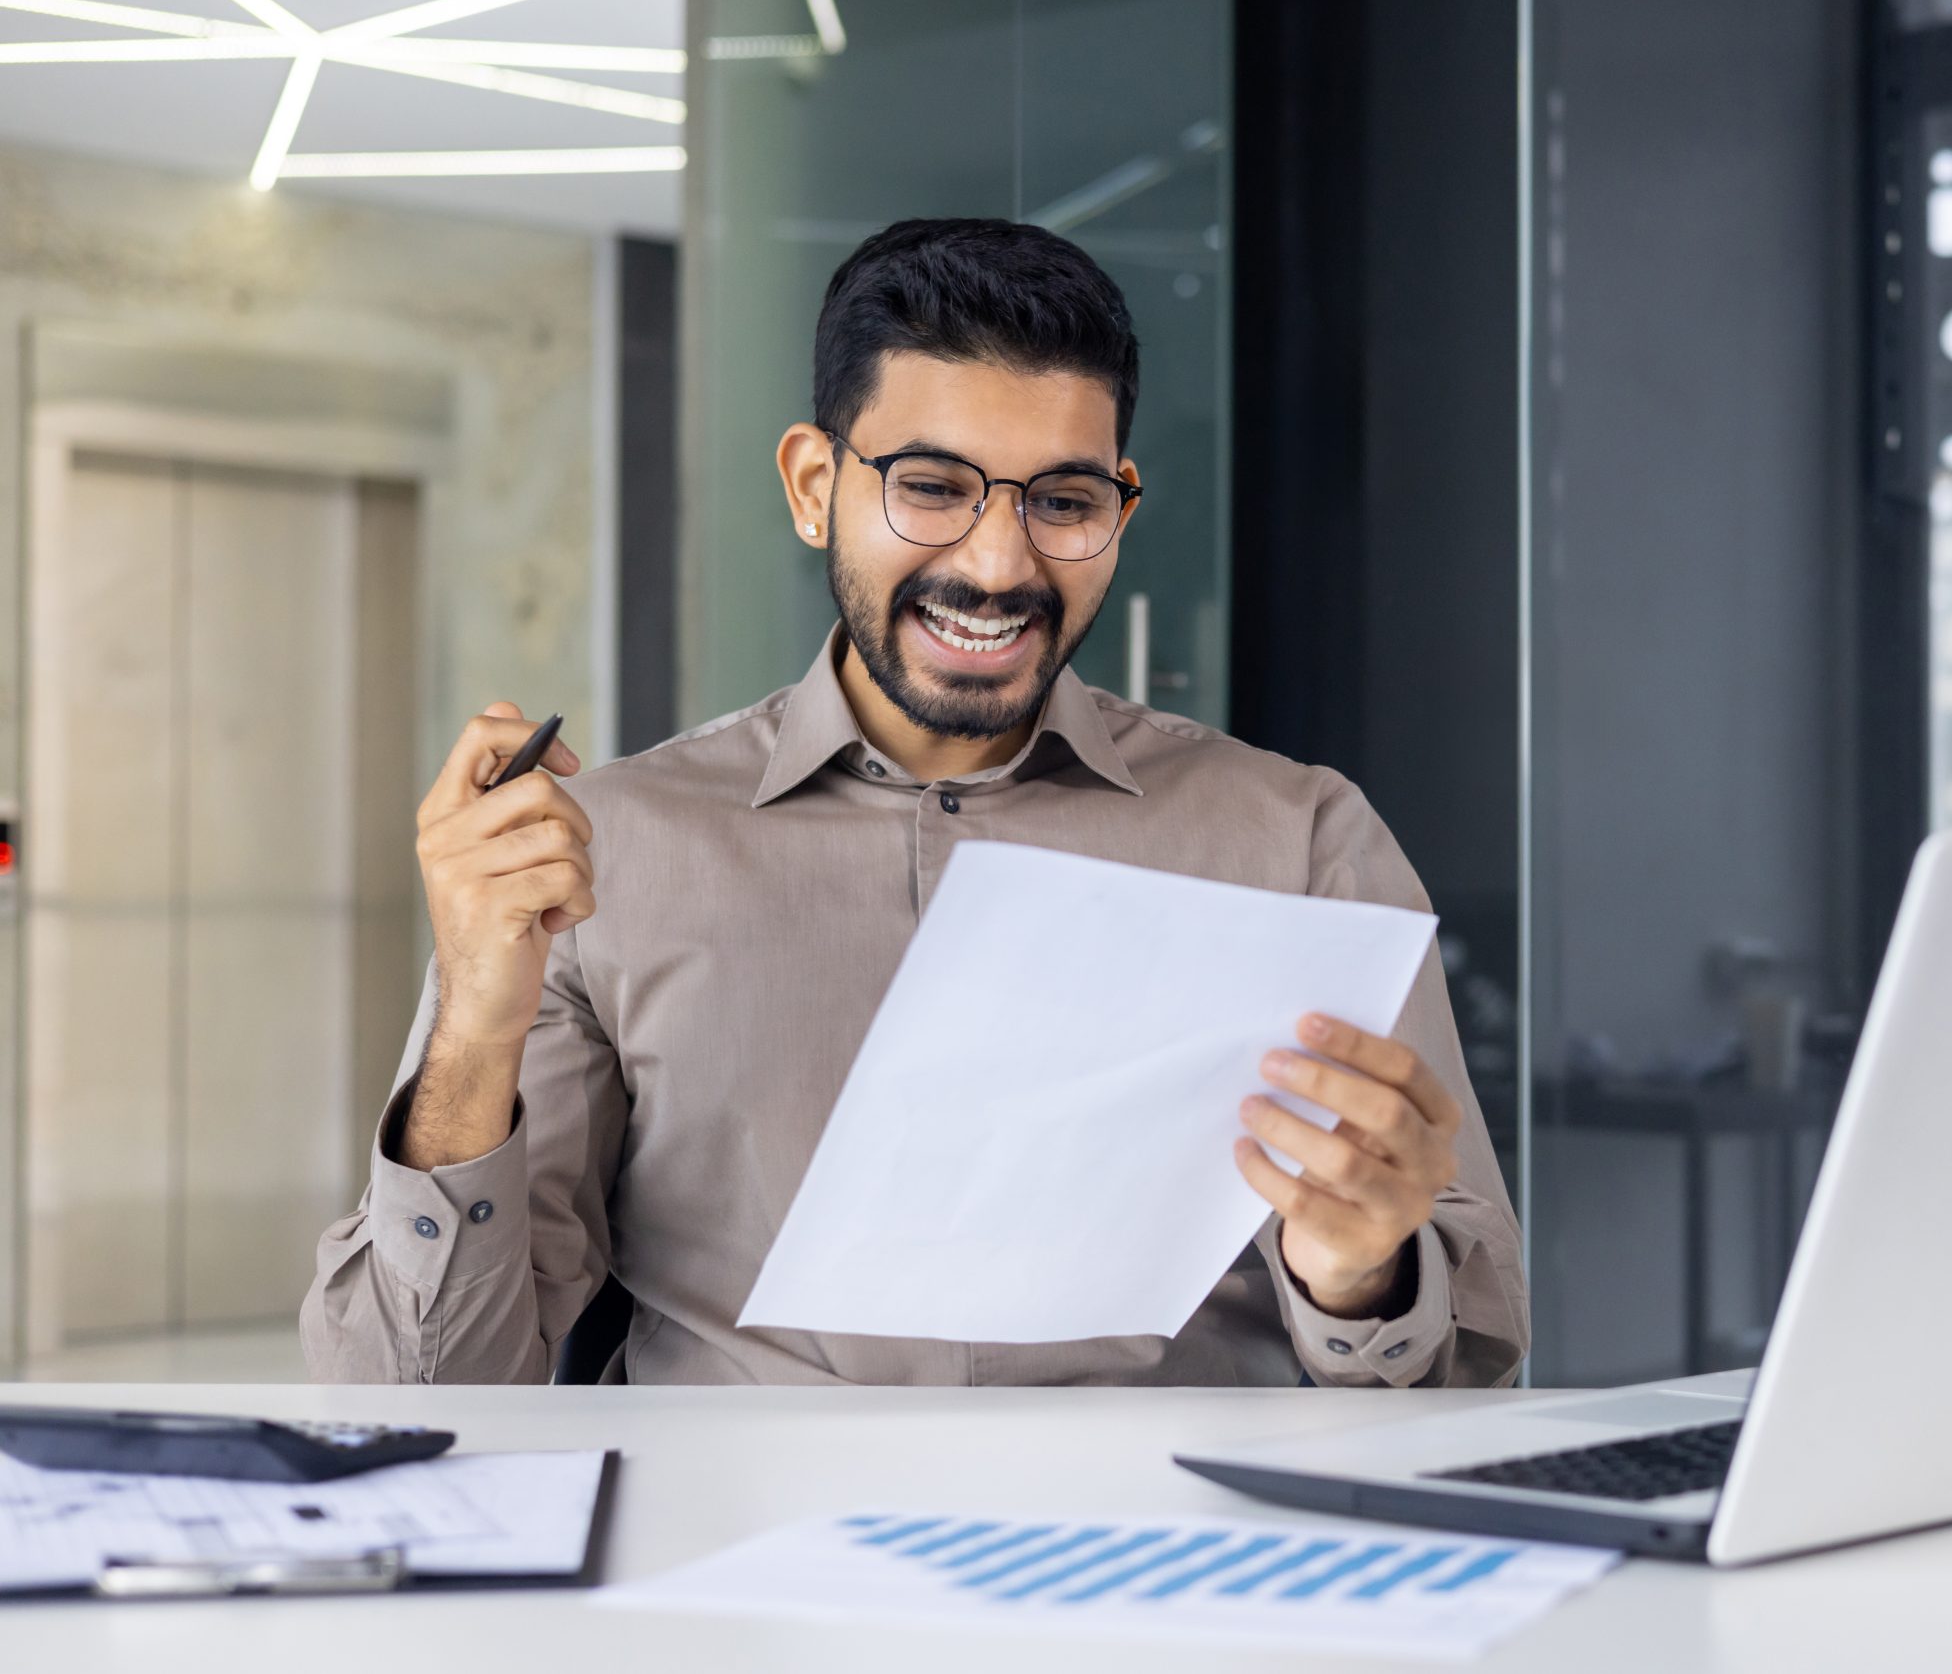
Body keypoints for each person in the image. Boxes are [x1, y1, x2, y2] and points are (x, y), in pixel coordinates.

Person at [302, 218, 1526, 1387]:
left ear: (1120, 504)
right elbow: (416, 1386)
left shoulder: (1298, 841)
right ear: (810, 484)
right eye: (932, 486)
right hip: (749, 1560)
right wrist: (473, 1027)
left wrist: (1359, 1273)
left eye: (1063, 501)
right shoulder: (607, 855)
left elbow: (1468, 1374)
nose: (999, 568)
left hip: (1175, 1564)